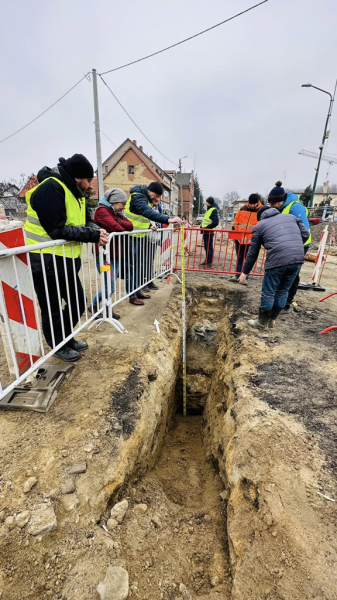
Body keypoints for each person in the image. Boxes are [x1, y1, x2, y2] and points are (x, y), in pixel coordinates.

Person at [24, 154, 109, 362]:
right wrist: (92, 235)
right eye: (89, 180)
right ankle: (58, 345)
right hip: (45, 261)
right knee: (51, 307)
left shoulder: (75, 191)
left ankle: (65, 337)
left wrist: (98, 231)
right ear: (78, 177)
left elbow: (86, 221)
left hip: (65, 261)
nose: (90, 186)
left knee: (77, 302)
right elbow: (57, 229)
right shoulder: (51, 188)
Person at [238, 205, 309, 329]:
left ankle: (261, 323)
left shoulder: (259, 226)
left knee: (269, 292)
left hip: (277, 260)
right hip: (297, 258)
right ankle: (272, 321)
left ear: (260, 217)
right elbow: (306, 234)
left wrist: (245, 272)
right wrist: (293, 245)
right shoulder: (291, 217)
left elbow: (252, 252)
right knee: (283, 290)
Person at [124, 182, 182, 305]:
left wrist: (149, 225)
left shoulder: (144, 197)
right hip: (130, 237)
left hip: (138, 237)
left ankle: (137, 290)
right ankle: (132, 295)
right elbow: (145, 212)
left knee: (138, 267)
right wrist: (168, 219)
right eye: (155, 195)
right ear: (150, 191)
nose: (156, 198)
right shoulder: (138, 196)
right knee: (132, 269)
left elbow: (140, 216)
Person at [268, 181, 311, 312]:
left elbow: (304, 231)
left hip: (299, 245)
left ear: (281, 200)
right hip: (286, 245)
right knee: (281, 270)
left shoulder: (295, 208)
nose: (271, 206)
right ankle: (278, 300)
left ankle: (286, 303)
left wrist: (293, 245)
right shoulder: (280, 209)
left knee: (291, 273)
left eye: (273, 203)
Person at [91, 188, 133, 319]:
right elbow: (117, 228)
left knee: (110, 284)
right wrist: (119, 223)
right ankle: (96, 307)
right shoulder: (102, 211)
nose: (124, 207)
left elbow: (130, 226)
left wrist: (118, 221)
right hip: (104, 256)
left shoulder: (114, 212)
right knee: (109, 285)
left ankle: (104, 308)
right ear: (114, 202)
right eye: (122, 204)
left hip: (115, 255)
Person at [228, 193, 262, 284]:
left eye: (253, 204)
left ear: (257, 202)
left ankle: (245, 278)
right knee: (239, 258)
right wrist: (234, 232)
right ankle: (237, 275)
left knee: (248, 260)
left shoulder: (261, 211)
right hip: (240, 239)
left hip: (251, 240)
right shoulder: (242, 209)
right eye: (250, 203)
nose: (251, 205)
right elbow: (236, 222)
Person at [200, 197, 219, 268]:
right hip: (206, 232)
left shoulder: (213, 210)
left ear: (209, 203)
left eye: (206, 202)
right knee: (206, 247)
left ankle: (209, 262)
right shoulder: (209, 210)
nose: (205, 203)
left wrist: (206, 228)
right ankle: (207, 260)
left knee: (209, 247)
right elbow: (206, 220)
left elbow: (215, 222)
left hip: (209, 232)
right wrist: (202, 226)